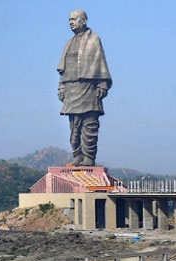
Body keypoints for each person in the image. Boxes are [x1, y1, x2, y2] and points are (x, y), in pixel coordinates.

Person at [57, 9, 112, 167]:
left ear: (84, 20)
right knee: (74, 128)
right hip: (71, 89)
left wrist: (102, 84)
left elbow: (100, 62)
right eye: (69, 20)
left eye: (74, 19)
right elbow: (63, 69)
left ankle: (88, 157)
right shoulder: (69, 42)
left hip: (88, 88)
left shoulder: (94, 39)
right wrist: (61, 87)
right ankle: (78, 155)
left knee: (89, 125)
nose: (71, 22)